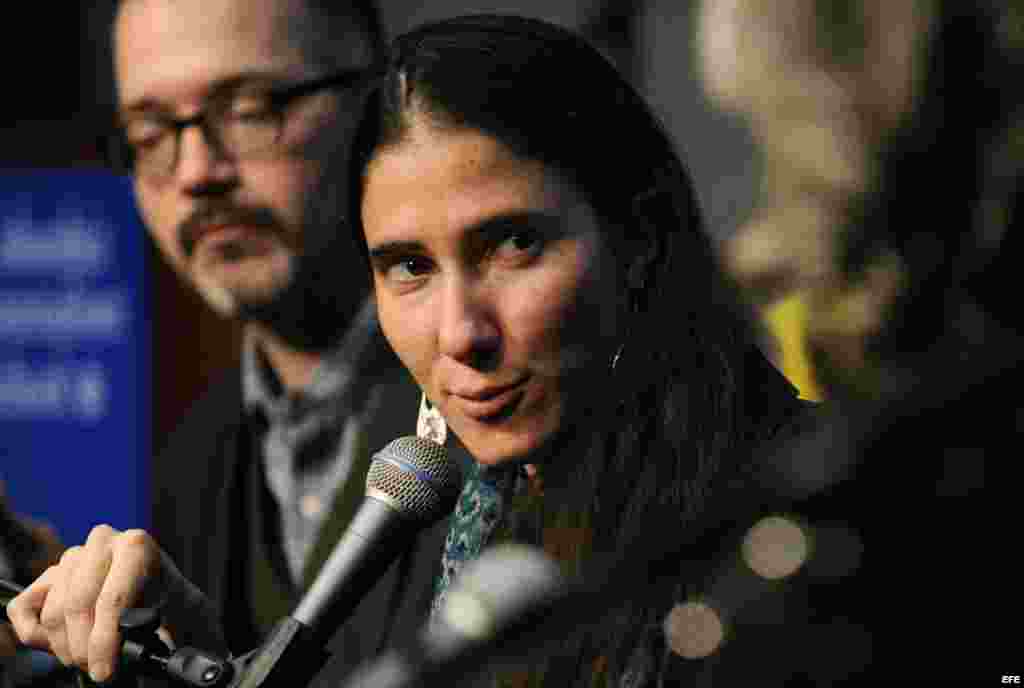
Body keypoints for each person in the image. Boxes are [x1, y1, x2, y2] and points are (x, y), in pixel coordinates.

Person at [346, 14, 820, 686]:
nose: (460, 333)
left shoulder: (795, 526)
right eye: (410, 267)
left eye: (514, 245)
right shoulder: (440, 536)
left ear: (638, 238)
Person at [5, 1, 448, 685]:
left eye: (248, 110)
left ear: (379, 103)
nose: (195, 173)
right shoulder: (192, 457)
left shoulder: (498, 401)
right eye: (151, 134)